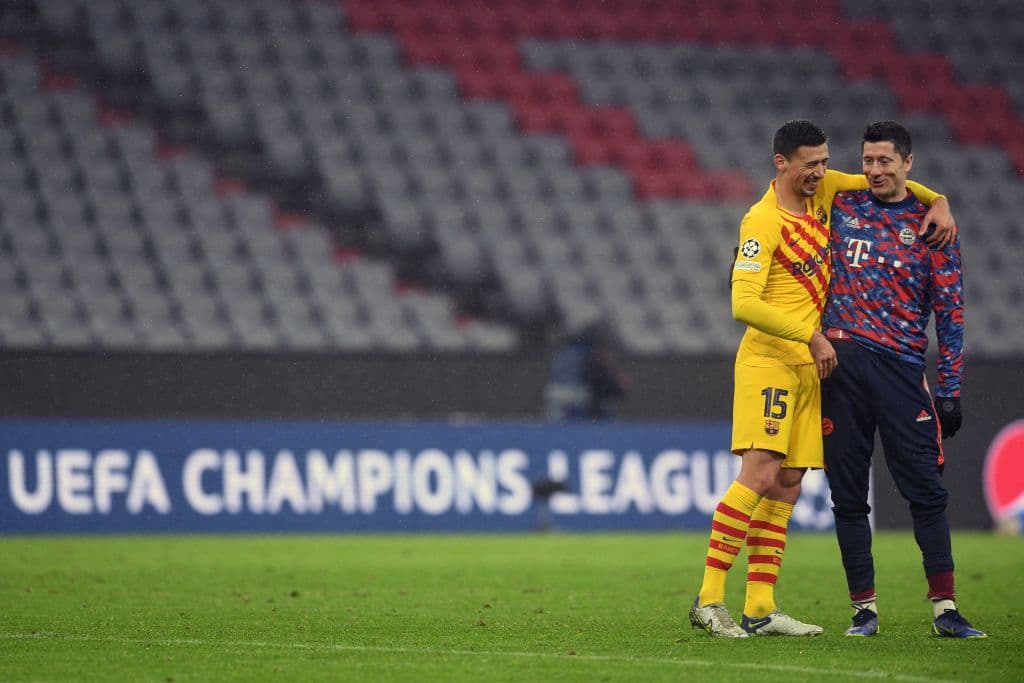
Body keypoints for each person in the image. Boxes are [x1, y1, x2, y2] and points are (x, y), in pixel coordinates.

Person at [690, 120, 955, 638]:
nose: (821, 172)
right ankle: (708, 599)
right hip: (770, 362)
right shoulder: (761, 222)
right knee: (761, 474)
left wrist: (938, 200)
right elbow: (743, 302)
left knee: (788, 485)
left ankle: (761, 608)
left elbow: (892, 185)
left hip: (810, 368)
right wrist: (810, 336)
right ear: (780, 164)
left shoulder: (824, 190)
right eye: (810, 164)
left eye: (824, 162)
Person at [822, 121, 986, 638]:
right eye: (867, 160)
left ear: (907, 163)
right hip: (841, 368)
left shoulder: (933, 226)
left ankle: (945, 609)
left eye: (884, 161)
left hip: (901, 369)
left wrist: (950, 389)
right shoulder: (841, 206)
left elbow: (951, 313)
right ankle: (863, 611)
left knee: (926, 492)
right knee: (847, 494)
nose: (873, 170)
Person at [543, 321, 629, 421]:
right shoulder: (589, 354)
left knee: (558, 429)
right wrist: (618, 387)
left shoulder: (563, 353)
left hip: (555, 394)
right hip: (579, 397)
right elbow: (597, 379)